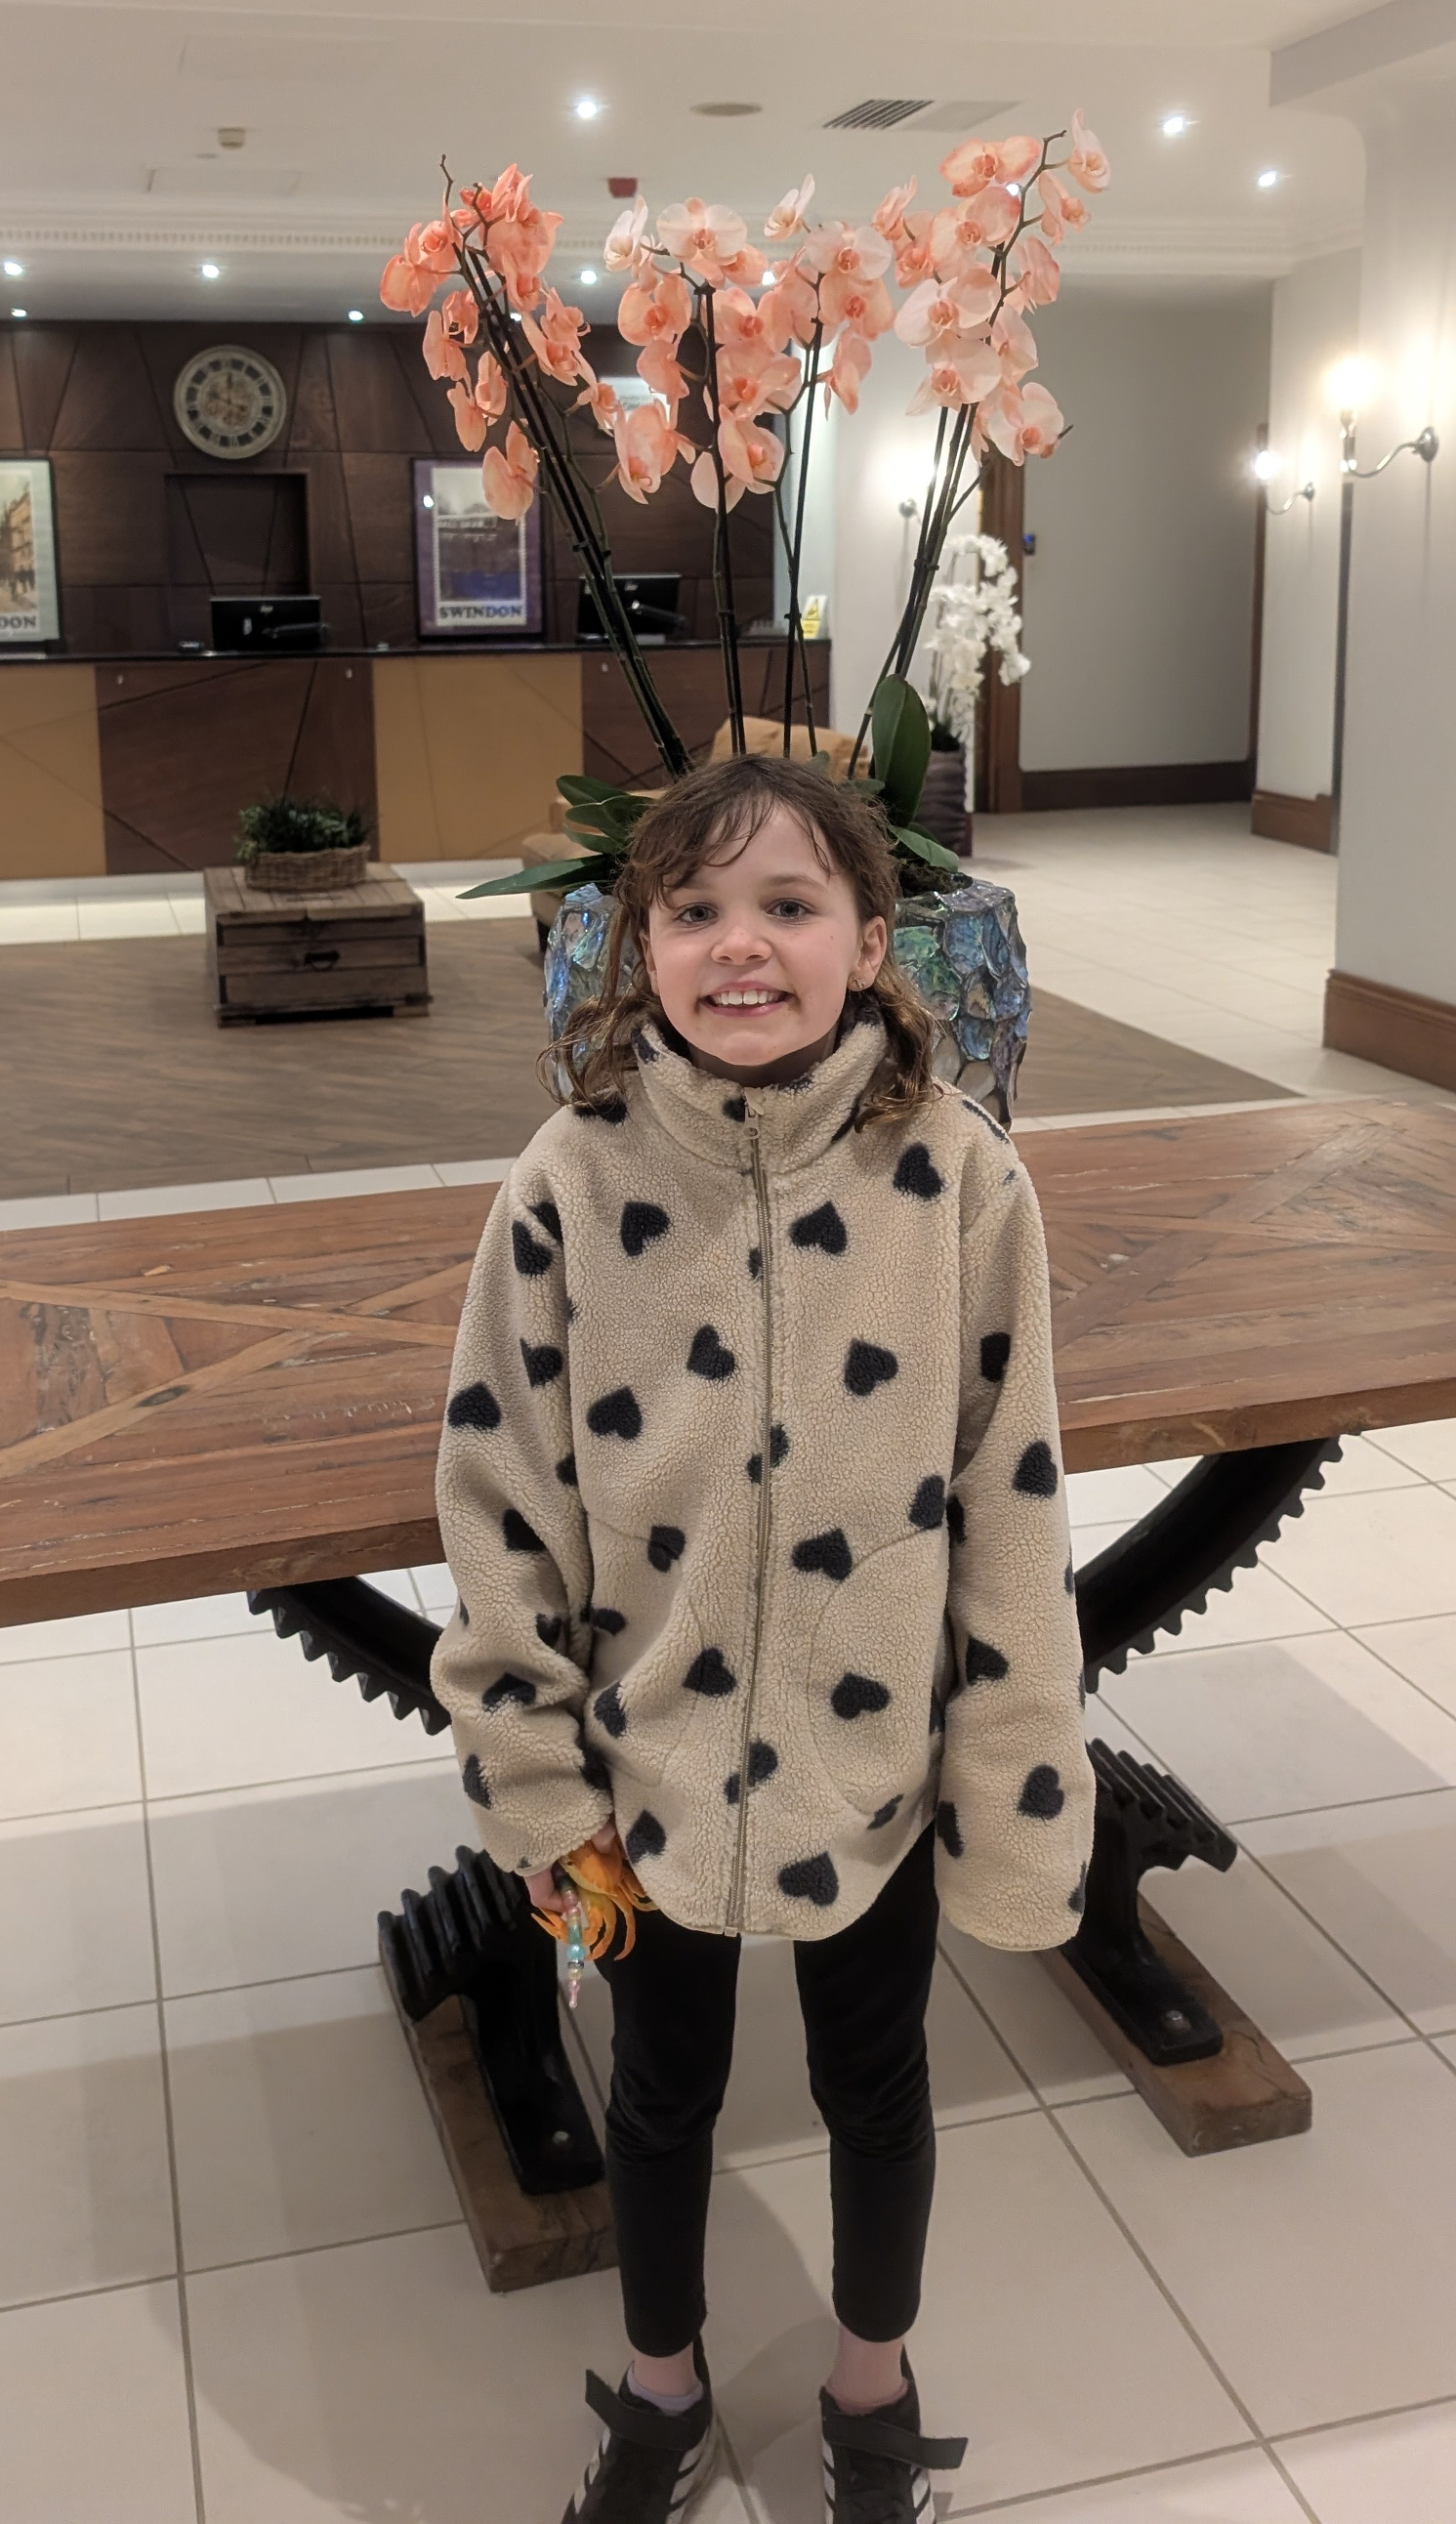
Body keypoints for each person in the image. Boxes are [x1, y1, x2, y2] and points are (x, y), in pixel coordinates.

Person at [432, 755, 1094, 2524]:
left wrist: (1016, 1785)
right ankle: (660, 2391)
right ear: (636, 942)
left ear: (874, 941)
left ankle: (871, 2391)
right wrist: (535, 1776)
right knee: (660, 2097)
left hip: (873, 1772)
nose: (743, 946)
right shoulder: (567, 1184)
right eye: (696, 909)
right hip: (642, 1783)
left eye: (790, 906)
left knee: (878, 2088)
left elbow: (1011, 1504)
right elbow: (500, 1494)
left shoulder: (965, 1187)